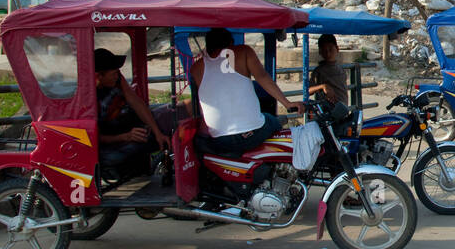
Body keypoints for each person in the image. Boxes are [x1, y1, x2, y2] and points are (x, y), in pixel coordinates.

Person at [189, 28, 303, 156]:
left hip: (219, 140)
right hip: (252, 135)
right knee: (273, 120)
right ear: (231, 43)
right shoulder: (243, 51)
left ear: (207, 45)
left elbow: (203, 105)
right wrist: (287, 103)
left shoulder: (195, 68)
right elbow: (263, 78)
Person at [94, 48, 171, 180]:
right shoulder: (90, 97)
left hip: (133, 127)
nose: (117, 76)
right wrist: (126, 137)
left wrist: (157, 133)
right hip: (113, 141)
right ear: (99, 76)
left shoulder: (118, 80)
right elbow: (96, 137)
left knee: (173, 121)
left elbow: (136, 102)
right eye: (113, 73)